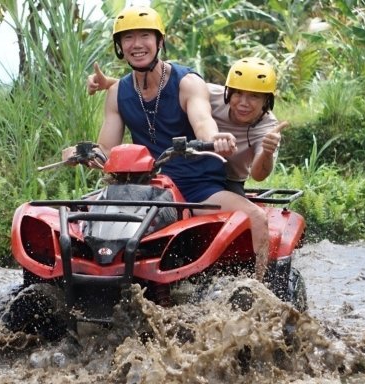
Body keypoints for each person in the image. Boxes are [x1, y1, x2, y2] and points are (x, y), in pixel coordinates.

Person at [63, 6, 271, 281]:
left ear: (160, 41)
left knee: (257, 218)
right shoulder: (117, 93)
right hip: (145, 189)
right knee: (70, 219)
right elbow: (107, 151)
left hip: (198, 188)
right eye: (128, 38)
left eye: (145, 36)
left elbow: (203, 121)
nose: (137, 44)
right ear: (119, 47)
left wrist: (214, 139)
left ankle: (265, 293)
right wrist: (79, 152)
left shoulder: (187, 82)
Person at [87, 57, 289, 196]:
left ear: (267, 101)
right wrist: (110, 84)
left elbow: (258, 175)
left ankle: (260, 259)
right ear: (229, 92)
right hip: (192, 169)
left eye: (254, 96)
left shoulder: (268, 128)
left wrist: (267, 152)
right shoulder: (213, 94)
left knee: (245, 219)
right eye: (238, 93)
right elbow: (166, 88)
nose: (243, 102)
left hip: (229, 179)